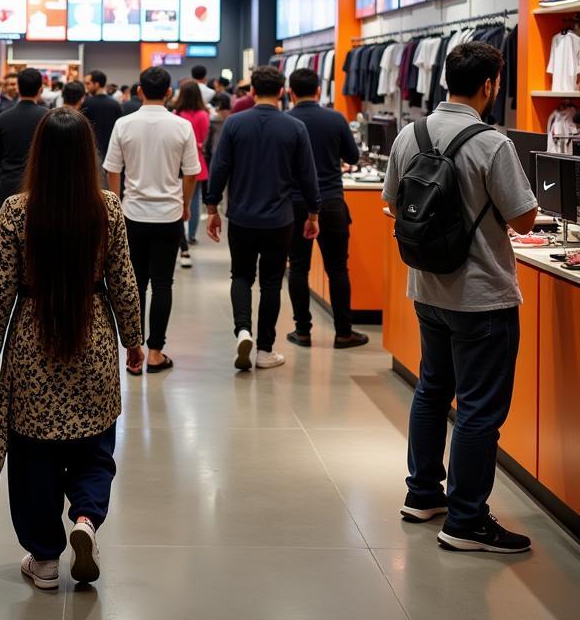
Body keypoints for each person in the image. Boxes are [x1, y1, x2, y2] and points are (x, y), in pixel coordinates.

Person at [0, 107, 143, 589]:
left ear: (40, 154)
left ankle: (45, 559)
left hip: (32, 341)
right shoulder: (107, 207)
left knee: (33, 457)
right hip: (92, 339)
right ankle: (86, 520)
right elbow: (124, 283)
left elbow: (0, 287)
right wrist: (134, 340)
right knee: (95, 446)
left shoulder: (18, 210)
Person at [383, 42, 538, 554]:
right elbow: (522, 218)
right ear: (491, 84)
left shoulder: (412, 133)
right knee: (478, 409)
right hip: (482, 297)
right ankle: (467, 520)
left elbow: (391, 204)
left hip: (426, 289)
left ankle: (422, 493)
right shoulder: (493, 144)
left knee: (431, 390)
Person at [206, 65, 320, 372]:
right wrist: (313, 213)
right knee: (271, 283)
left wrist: (212, 207)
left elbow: (219, 168)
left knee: (241, 275)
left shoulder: (234, 124)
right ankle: (265, 350)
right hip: (279, 219)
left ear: (252, 91)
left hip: (241, 216)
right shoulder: (295, 127)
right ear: (282, 92)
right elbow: (308, 176)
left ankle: (243, 330)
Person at [103, 66, 201, 373]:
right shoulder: (182, 126)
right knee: (163, 283)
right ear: (170, 92)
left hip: (133, 213)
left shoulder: (124, 124)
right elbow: (192, 173)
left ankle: (135, 353)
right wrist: (185, 205)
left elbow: (112, 170)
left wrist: (116, 204)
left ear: (140, 91)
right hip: (169, 214)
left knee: (135, 284)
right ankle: (156, 352)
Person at [285, 68, 369, 349]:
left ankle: (302, 331)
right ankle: (344, 332)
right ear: (319, 91)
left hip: (295, 204)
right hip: (331, 201)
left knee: (297, 268)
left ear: (291, 92)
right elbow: (353, 157)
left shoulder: (286, 121)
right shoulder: (335, 119)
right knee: (338, 269)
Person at [0, 67, 47, 207]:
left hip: (9, 185)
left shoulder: (3, 118)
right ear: (41, 89)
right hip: (41, 185)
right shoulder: (48, 117)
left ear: (18, 88)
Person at [174, 79, 210, 266]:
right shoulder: (204, 115)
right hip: (197, 160)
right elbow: (203, 138)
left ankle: (179, 234)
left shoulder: (177, 114)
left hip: (177, 162)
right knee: (194, 201)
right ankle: (192, 236)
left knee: (178, 199)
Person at [81, 69, 123, 173]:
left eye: (88, 83)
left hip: (91, 150)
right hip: (111, 150)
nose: (86, 87)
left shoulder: (87, 103)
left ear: (97, 84)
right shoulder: (115, 104)